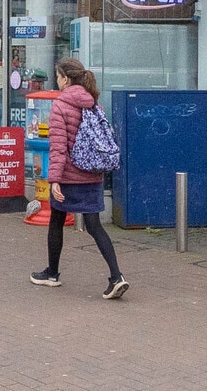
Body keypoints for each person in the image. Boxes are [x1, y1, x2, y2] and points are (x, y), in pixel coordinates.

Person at [30, 56, 128, 299]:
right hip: (93, 175)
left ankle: (52, 274)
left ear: (65, 79)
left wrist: (54, 180)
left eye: (58, 76)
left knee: (56, 220)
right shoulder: (94, 104)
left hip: (69, 177)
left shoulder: (61, 106)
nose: (57, 80)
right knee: (94, 226)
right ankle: (116, 276)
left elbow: (59, 148)